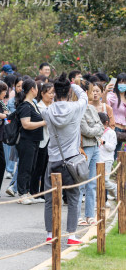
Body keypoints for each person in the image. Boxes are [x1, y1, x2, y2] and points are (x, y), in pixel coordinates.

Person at [40, 73, 88, 245]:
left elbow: (49, 106)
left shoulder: (46, 111)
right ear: (68, 91)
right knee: (74, 196)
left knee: (50, 199)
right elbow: (84, 96)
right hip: (72, 160)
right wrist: (74, 84)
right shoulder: (76, 108)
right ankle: (72, 236)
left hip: (53, 159)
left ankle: (50, 234)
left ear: (54, 92)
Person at [15, 78, 47, 204]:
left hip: (35, 140)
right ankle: (22, 193)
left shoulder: (33, 103)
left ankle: (27, 192)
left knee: (32, 167)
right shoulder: (25, 105)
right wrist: (44, 123)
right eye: (37, 88)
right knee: (25, 167)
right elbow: (26, 124)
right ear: (33, 89)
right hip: (26, 140)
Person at [78, 82, 104, 225]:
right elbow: (85, 130)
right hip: (85, 148)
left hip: (95, 147)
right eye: (91, 91)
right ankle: (77, 216)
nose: (93, 93)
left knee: (92, 183)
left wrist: (94, 130)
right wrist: (96, 131)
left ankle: (89, 215)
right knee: (81, 183)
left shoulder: (92, 109)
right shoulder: (79, 109)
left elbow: (101, 126)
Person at [33, 82, 54, 199]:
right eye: (49, 93)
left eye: (53, 93)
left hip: (52, 141)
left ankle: (44, 192)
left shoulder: (53, 106)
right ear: (42, 93)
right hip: (42, 140)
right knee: (38, 167)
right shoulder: (39, 107)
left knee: (47, 168)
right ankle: (35, 192)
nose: (51, 95)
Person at [98, 112, 117, 203]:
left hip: (107, 160)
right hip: (98, 160)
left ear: (106, 122)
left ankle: (115, 188)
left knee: (105, 181)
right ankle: (101, 202)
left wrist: (104, 142)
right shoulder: (98, 131)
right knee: (98, 181)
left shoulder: (111, 133)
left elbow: (112, 148)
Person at [105, 74, 126, 153]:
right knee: (112, 153)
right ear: (117, 84)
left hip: (123, 131)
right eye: (120, 82)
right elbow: (105, 105)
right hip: (114, 128)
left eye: (124, 83)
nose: (122, 85)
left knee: (118, 154)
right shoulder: (113, 96)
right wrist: (106, 91)